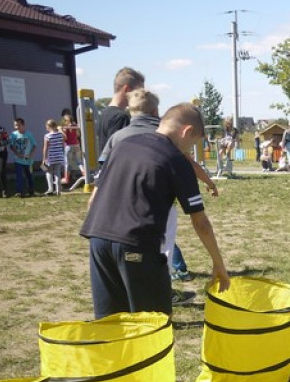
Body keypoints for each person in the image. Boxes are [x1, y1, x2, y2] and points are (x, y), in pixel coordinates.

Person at [80, 103, 230, 318]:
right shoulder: (176, 160)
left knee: (110, 323)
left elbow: (94, 196)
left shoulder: (123, 145)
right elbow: (201, 223)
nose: (188, 150)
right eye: (192, 144)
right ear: (186, 131)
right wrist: (218, 265)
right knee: (153, 324)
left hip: (98, 240)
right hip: (137, 244)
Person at [97, 67, 146, 153]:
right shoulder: (121, 117)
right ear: (127, 89)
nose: (140, 96)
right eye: (137, 92)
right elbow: (120, 151)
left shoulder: (103, 114)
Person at [7, 118, 36, 197]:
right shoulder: (13, 134)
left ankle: (31, 190)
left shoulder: (28, 134)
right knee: (19, 175)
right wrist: (16, 153)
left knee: (29, 175)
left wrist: (31, 154)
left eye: (18, 125)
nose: (17, 127)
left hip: (27, 160)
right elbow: (11, 145)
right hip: (18, 159)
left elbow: (34, 145)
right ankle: (19, 192)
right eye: (15, 125)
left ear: (23, 125)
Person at [41, 120, 66, 196]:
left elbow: (45, 148)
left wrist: (44, 158)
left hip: (51, 157)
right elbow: (63, 143)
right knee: (57, 173)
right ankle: (58, 190)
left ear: (48, 127)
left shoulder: (47, 136)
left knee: (49, 172)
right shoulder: (60, 135)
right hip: (59, 156)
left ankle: (50, 189)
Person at [60, 110, 83, 189]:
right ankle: (84, 174)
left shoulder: (65, 127)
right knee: (79, 162)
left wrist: (60, 130)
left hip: (69, 146)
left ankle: (66, 178)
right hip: (76, 145)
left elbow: (65, 137)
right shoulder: (74, 125)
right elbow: (78, 135)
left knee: (67, 163)